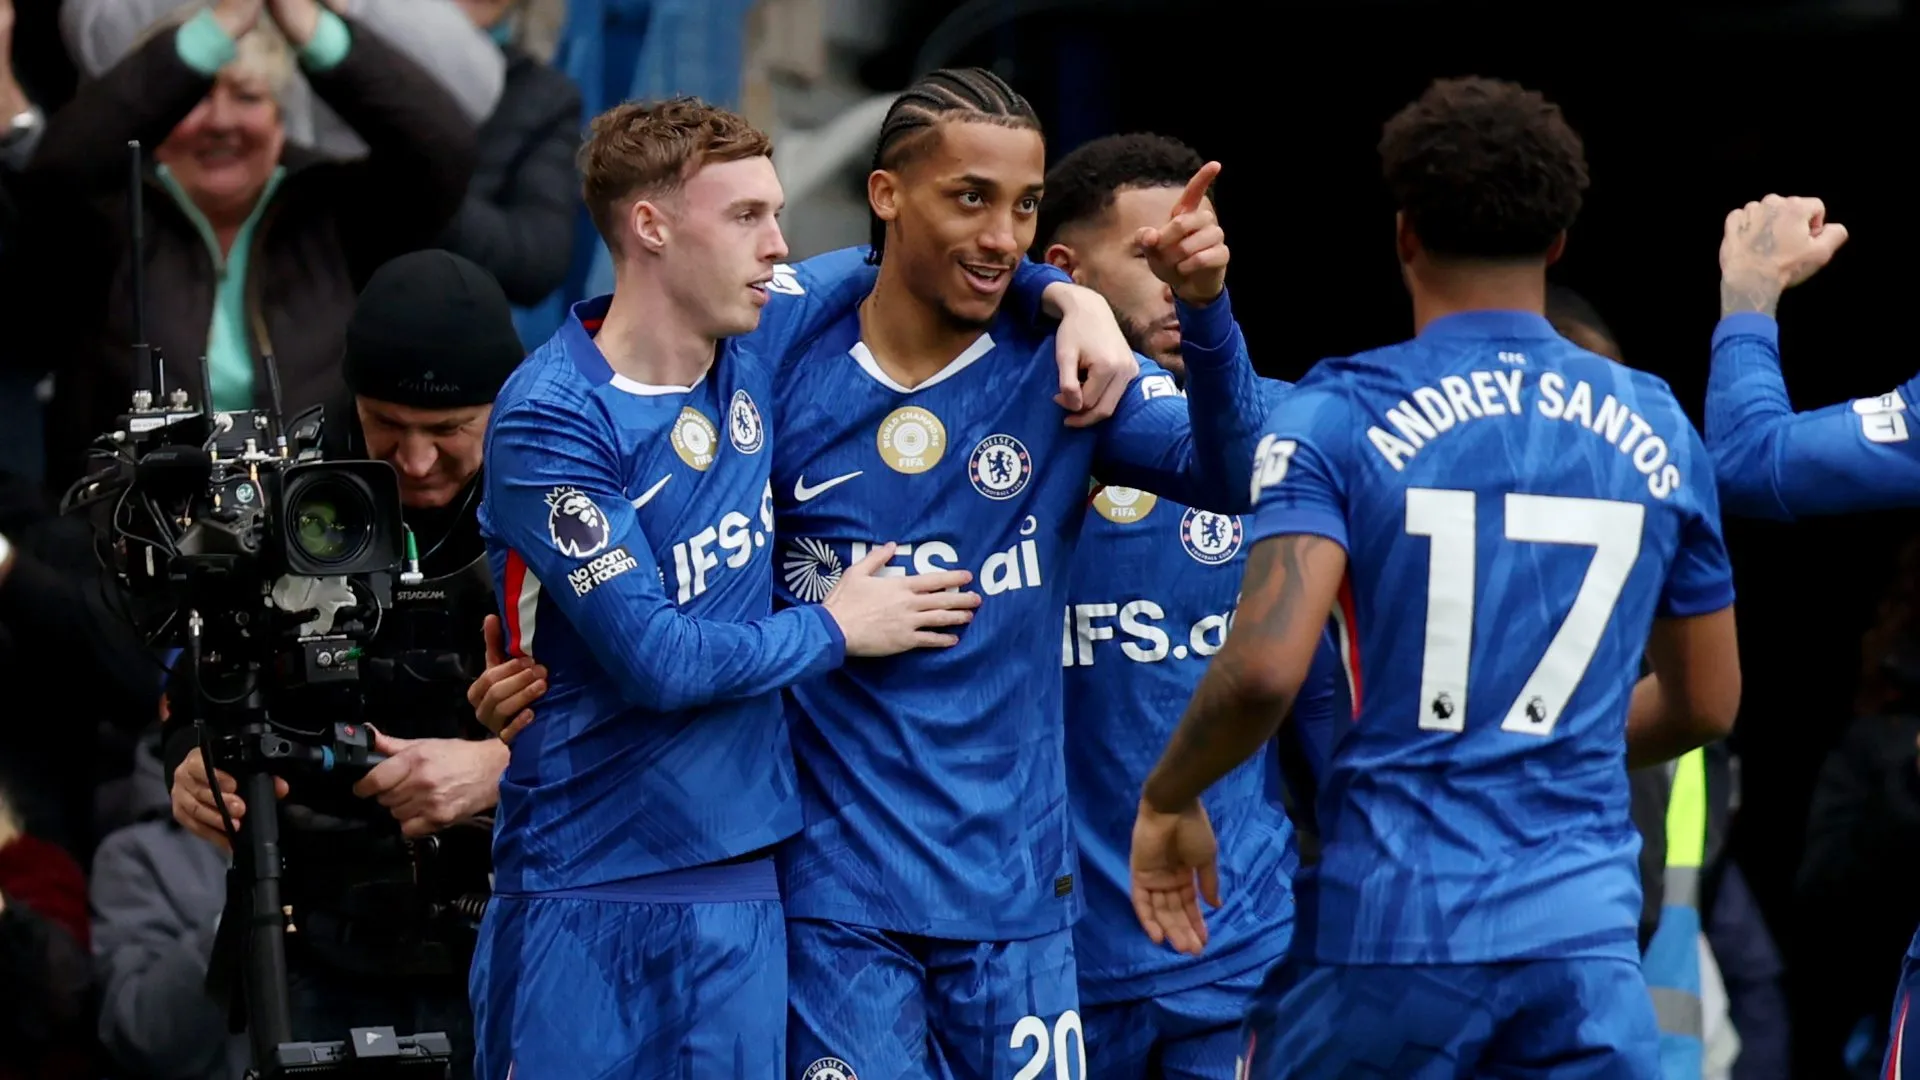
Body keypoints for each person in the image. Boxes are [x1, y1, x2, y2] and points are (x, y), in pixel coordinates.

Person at [464, 96, 1135, 1077]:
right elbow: (654, 659)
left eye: (778, 216)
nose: (781, 246)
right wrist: (834, 628)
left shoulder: (753, 345)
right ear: (651, 227)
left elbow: (922, 255)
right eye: (747, 218)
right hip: (587, 883)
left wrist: (1071, 298)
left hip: (747, 894)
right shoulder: (552, 416)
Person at [1129, 76, 1741, 1078]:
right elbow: (1709, 700)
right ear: (1556, 245)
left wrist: (1169, 797)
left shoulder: (1338, 414)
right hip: (1585, 950)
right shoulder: (1661, 426)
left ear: (1404, 234)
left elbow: (1264, 672)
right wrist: (1546, 739)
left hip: (1397, 940)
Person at [761, 68, 1264, 1079]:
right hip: (839, 901)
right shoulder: (782, 359)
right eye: (971, 198)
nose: (1002, 236)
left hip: (1020, 907)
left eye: (1026, 207)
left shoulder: (1067, 370)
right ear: (887, 193)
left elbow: (1238, 473)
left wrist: (1199, 313)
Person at [161, 249, 527, 1078]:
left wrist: (501, 768)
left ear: (505, 404)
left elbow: (645, 704)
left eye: (449, 431)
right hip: (312, 936)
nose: (417, 460)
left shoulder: (563, 486)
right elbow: (196, 688)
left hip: (514, 926)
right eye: (386, 425)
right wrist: (191, 761)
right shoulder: (280, 486)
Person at [1036, 130, 1344, 1077]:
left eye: (1196, 250)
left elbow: (1324, 694)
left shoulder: (1290, 438)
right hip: (1042, 949)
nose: (1177, 273)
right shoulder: (999, 436)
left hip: (1232, 944)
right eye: (1147, 254)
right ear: (1066, 270)